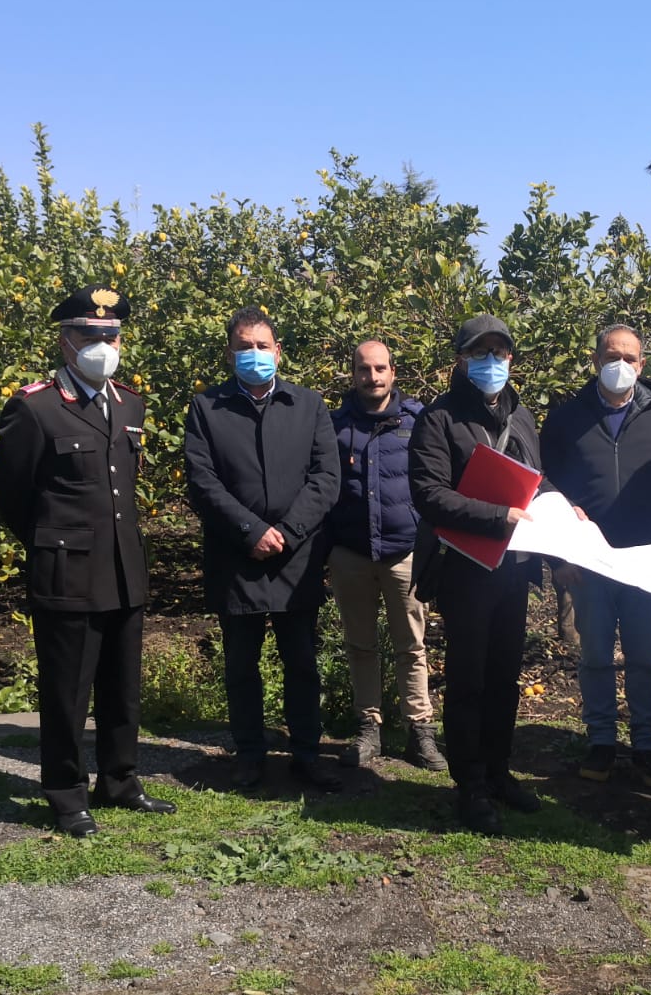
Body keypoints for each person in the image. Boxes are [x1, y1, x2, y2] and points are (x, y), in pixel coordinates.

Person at [0, 286, 177, 837]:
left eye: (110, 335)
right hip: (68, 571)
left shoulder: (130, 403)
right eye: (89, 334)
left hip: (123, 567)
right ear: (65, 341)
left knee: (123, 686)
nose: (102, 344)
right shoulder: (34, 407)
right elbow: (12, 496)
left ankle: (119, 779)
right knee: (67, 690)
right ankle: (66, 792)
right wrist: (53, 542)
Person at [409, 313, 559, 833]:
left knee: (504, 678)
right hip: (465, 570)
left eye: (499, 352)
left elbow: (536, 482)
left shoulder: (523, 416)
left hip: (514, 569)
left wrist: (564, 508)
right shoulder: (438, 419)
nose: (491, 361)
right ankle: (469, 783)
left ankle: (498, 771)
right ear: (461, 360)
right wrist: (499, 517)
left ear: (511, 358)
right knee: (468, 680)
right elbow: (429, 495)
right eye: (480, 352)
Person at [184, 307, 342, 792]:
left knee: (302, 663)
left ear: (278, 352)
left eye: (262, 346)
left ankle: (307, 754)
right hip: (237, 556)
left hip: (297, 557)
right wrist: (250, 530)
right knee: (241, 665)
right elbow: (202, 481)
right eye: (244, 346)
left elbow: (326, 478)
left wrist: (288, 532)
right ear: (230, 353)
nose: (254, 354)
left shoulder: (308, 405)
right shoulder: (207, 408)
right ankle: (249, 755)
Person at [540, 324, 651, 788]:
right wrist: (558, 559)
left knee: (645, 658)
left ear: (642, 365)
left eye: (629, 358)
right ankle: (601, 742)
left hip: (646, 564)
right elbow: (544, 487)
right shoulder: (566, 418)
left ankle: (647, 746)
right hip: (589, 563)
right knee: (595, 657)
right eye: (611, 356)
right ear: (595, 360)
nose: (620, 365)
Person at [327, 340, 448, 772]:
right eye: (364, 369)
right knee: (360, 644)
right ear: (353, 373)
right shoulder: (335, 425)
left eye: (380, 368)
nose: (372, 377)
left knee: (411, 645)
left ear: (393, 373)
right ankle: (369, 728)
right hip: (351, 552)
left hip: (404, 553)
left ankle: (420, 730)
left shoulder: (418, 421)